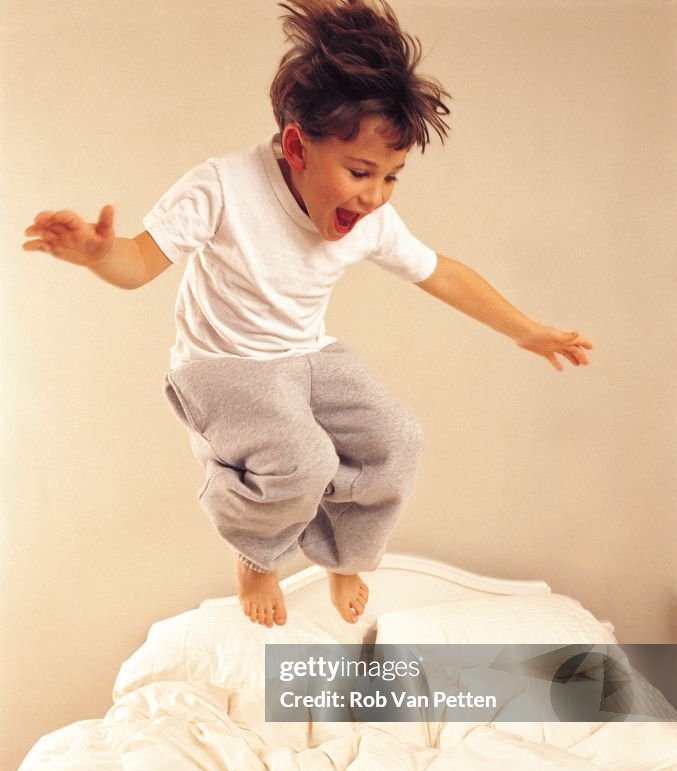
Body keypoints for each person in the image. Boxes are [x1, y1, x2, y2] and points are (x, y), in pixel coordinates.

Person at [22, 0, 593, 630]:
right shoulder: (222, 187)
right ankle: (254, 552)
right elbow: (137, 263)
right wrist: (99, 253)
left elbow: (444, 273)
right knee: (307, 461)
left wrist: (528, 331)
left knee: (399, 441)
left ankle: (342, 553)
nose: (375, 197)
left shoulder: (370, 219)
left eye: (393, 177)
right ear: (297, 146)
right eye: (359, 172)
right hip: (222, 367)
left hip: (307, 355)